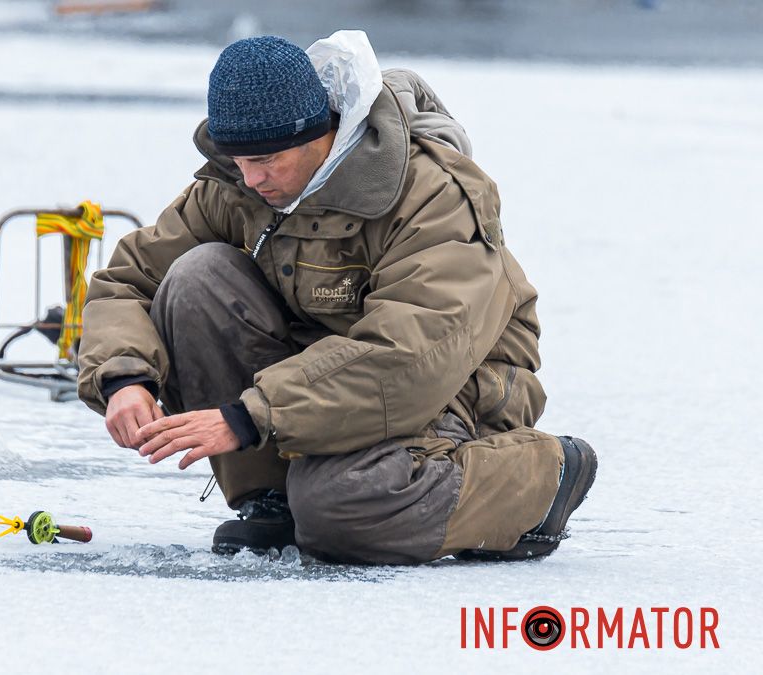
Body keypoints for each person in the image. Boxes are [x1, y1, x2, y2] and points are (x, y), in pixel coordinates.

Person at [75, 31, 597, 564]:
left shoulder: (431, 194)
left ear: (321, 133)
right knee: (194, 276)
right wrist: (124, 378)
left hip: (450, 386)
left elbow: (410, 357)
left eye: (269, 159)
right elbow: (131, 278)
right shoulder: (238, 184)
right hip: (312, 389)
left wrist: (249, 415)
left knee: (341, 511)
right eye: (239, 160)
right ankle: (273, 500)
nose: (252, 179)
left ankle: (542, 478)